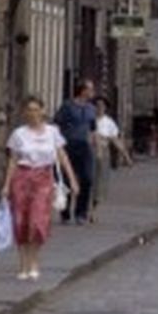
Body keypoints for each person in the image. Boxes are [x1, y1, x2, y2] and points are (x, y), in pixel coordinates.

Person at [2, 97, 80, 280]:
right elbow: (12, 161)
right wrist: (6, 185)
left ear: (43, 111)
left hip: (44, 178)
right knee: (20, 221)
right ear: (24, 113)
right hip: (22, 177)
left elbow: (62, 156)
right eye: (29, 110)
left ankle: (34, 260)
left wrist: (72, 180)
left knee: (37, 221)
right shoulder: (18, 134)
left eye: (36, 109)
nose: (33, 113)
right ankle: (23, 263)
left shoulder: (53, 132)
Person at [54, 79, 97, 225]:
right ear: (82, 90)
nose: (92, 92)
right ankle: (65, 212)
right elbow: (57, 123)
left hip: (85, 147)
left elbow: (93, 128)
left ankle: (81, 212)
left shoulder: (91, 108)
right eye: (90, 89)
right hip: (69, 145)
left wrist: (94, 144)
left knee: (87, 178)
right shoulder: (68, 106)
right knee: (66, 179)